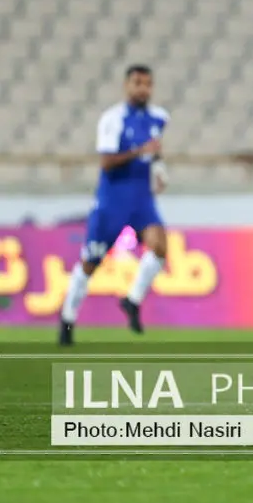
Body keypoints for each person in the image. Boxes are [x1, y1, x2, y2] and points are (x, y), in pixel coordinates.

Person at [59, 65, 170, 346]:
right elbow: (106, 162)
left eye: (147, 83)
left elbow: (155, 150)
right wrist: (140, 152)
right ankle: (68, 320)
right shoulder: (113, 119)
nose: (142, 88)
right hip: (112, 201)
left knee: (159, 247)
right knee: (90, 263)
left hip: (142, 199)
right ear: (126, 86)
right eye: (137, 83)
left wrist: (159, 169)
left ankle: (132, 301)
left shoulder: (158, 117)